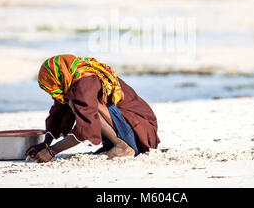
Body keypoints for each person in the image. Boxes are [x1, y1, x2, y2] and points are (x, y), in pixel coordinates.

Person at [25, 54, 160, 163]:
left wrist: (51, 152)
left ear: (58, 77)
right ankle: (118, 144)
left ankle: (123, 146)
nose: (53, 93)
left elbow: (85, 127)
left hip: (140, 131)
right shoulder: (71, 79)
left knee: (79, 103)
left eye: (52, 86)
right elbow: (58, 114)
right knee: (70, 101)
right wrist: (46, 144)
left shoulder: (84, 82)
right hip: (132, 130)